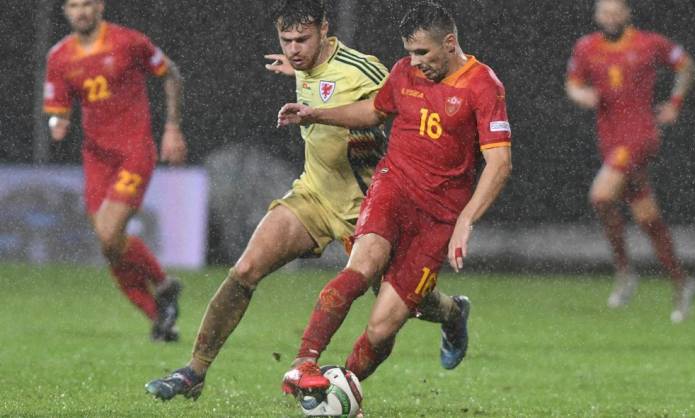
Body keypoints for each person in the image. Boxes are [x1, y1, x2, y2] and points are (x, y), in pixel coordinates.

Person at [144, 0, 470, 401]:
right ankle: (194, 372)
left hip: (367, 205)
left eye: (303, 39)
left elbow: (406, 101)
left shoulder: (362, 69)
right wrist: (297, 71)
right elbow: (316, 77)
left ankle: (453, 311)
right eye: (286, 40)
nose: (294, 49)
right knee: (245, 269)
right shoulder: (302, 65)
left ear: (325, 30)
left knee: (405, 304)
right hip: (313, 195)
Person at [279, 0, 512, 396]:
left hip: (439, 216)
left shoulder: (483, 85)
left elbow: (500, 163)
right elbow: (374, 111)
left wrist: (465, 220)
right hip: (393, 188)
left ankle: (341, 389)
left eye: (422, 52)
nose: (414, 61)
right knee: (361, 267)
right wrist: (315, 114)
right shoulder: (404, 72)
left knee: (383, 325)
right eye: (409, 52)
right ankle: (305, 364)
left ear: (449, 43)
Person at [43, 0, 186, 341]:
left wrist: (172, 127)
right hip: (96, 157)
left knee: (109, 234)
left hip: (134, 150)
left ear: (100, 6)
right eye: (73, 5)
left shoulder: (128, 41)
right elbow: (58, 109)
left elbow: (171, 73)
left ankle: (163, 284)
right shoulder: (59, 56)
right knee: (110, 247)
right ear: (65, 11)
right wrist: (58, 123)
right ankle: (160, 317)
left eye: (86, 4)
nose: (81, 11)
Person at [565, 0, 695, 322]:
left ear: (627, 13)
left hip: (640, 136)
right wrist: (581, 95)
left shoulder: (649, 44)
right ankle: (682, 282)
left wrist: (675, 103)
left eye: (616, 11)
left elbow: (686, 66)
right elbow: (573, 84)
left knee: (601, 196)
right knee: (647, 217)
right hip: (610, 140)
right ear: (597, 15)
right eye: (604, 12)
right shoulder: (586, 47)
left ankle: (625, 271)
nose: (610, 17)